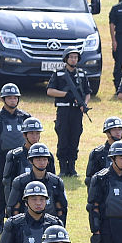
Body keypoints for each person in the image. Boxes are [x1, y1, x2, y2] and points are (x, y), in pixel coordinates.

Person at [0, 84, 31, 232]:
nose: (12, 100)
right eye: (9, 97)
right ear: (4, 99)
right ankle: (0, 223)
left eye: (15, 97)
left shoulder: (25, 117)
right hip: (2, 159)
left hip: (22, 158)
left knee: (23, 191)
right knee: (2, 192)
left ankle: (23, 220)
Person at [45, 48, 91, 177]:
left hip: (77, 111)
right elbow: (50, 91)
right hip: (64, 110)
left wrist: (84, 104)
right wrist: (66, 94)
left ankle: (72, 166)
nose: (73, 59)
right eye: (71, 57)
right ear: (66, 58)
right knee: (63, 137)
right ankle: (63, 167)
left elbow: (87, 92)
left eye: (76, 57)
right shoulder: (58, 73)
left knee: (75, 137)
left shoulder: (81, 74)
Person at [7, 144, 67, 223]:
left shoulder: (56, 182)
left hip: (49, 225)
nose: (42, 162)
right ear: (31, 161)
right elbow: (14, 208)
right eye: (38, 159)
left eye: (44, 159)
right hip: (25, 227)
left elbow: (61, 208)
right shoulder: (20, 182)